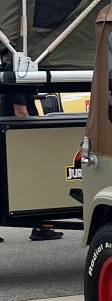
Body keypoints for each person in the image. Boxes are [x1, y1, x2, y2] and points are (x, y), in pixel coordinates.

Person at [0, 91, 64, 241]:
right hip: (19, 140)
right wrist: (36, 134)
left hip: (12, 139)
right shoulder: (19, 84)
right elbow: (20, 113)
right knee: (34, 180)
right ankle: (41, 228)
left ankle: (41, 227)